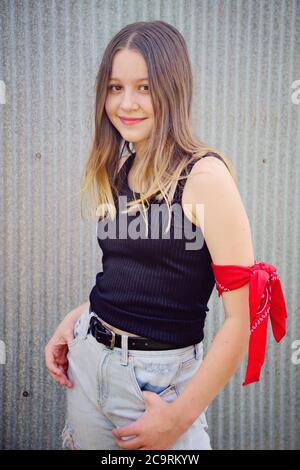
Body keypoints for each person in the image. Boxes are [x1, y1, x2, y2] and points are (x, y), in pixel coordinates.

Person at [44, 20, 288, 450]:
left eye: (145, 87)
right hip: (89, 358)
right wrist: (76, 319)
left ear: (173, 90)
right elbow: (135, 275)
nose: (127, 103)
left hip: (160, 386)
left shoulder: (204, 176)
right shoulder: (122, 165)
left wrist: (179, 419)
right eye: (115, 87)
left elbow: (241, 319)